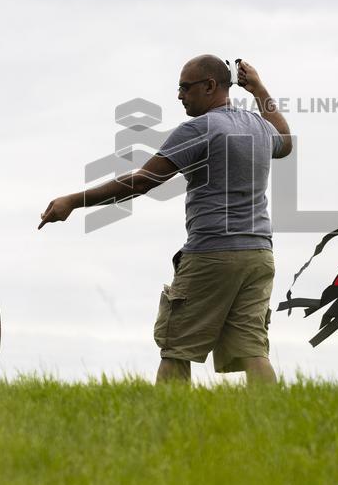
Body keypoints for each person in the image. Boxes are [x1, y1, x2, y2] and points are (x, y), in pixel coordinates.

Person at [38, 55, 291, 384]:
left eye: (185, 88)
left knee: (176, 348)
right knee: (252, 350)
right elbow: (284, 142)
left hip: (213, 254)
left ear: (210, 86)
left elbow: (143, 181)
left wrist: (73, 201)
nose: (179, 96)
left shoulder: (201, 128)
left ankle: (166, 429)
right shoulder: (258, 126)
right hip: (259, 255)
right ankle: (275, 425)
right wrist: (258, 88)